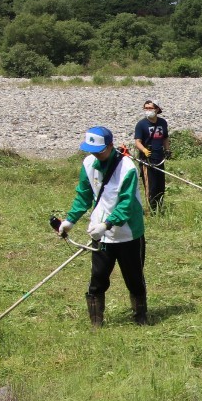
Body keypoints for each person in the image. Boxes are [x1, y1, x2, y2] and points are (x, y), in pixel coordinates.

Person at [57, 126, 149, 326]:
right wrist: (69, 221)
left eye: (99, 151)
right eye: (91, 150)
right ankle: (96, 323)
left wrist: (107, 224)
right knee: (97, 279)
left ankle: (141, 318)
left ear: (110, 146)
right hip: (101, 236)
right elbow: (84, 195)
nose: (95, 155)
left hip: (128, 233)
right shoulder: (89, 163)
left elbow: (127, 204)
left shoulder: (127, 168)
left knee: (134, 279)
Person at [133, 99, 169, 212]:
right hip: (147, 160)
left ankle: (159, 207)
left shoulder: (162, 122)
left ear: (157, 109)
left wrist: (167, 150)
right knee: (151, 186)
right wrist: (144, 150)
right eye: (146, 108)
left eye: (150, 108)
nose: (148, 110)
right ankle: (151, 210)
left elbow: (165, 138)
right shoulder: (141, 124)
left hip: (159, 158)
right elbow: (137, 141)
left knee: (160, 185)